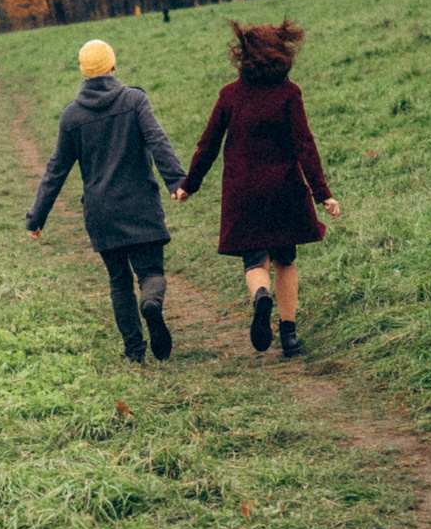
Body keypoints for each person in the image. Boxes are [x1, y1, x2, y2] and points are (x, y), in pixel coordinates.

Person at [175, 19, 341, 359]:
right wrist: (323, 193)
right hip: (284, 190)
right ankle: (289, 335)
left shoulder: (229, 95)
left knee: (255, 261)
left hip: (243, 192)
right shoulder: (289, 94)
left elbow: (207, 145)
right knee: (285, 260)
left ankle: (261, 296)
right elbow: (305, 145)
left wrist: (189, 185)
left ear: (244, 56)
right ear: (281, 53)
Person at [26, 38, 189, 364]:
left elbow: (56, 169)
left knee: (119, 283)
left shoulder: (71, 116)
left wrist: (36, 216)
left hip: (102, 213)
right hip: (141, 205)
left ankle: (134, 352)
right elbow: (157, 139)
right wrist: (176, 181)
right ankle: (151, 303)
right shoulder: (134, 100)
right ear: (112, 66)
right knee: (150, 272)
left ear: (84, 72)